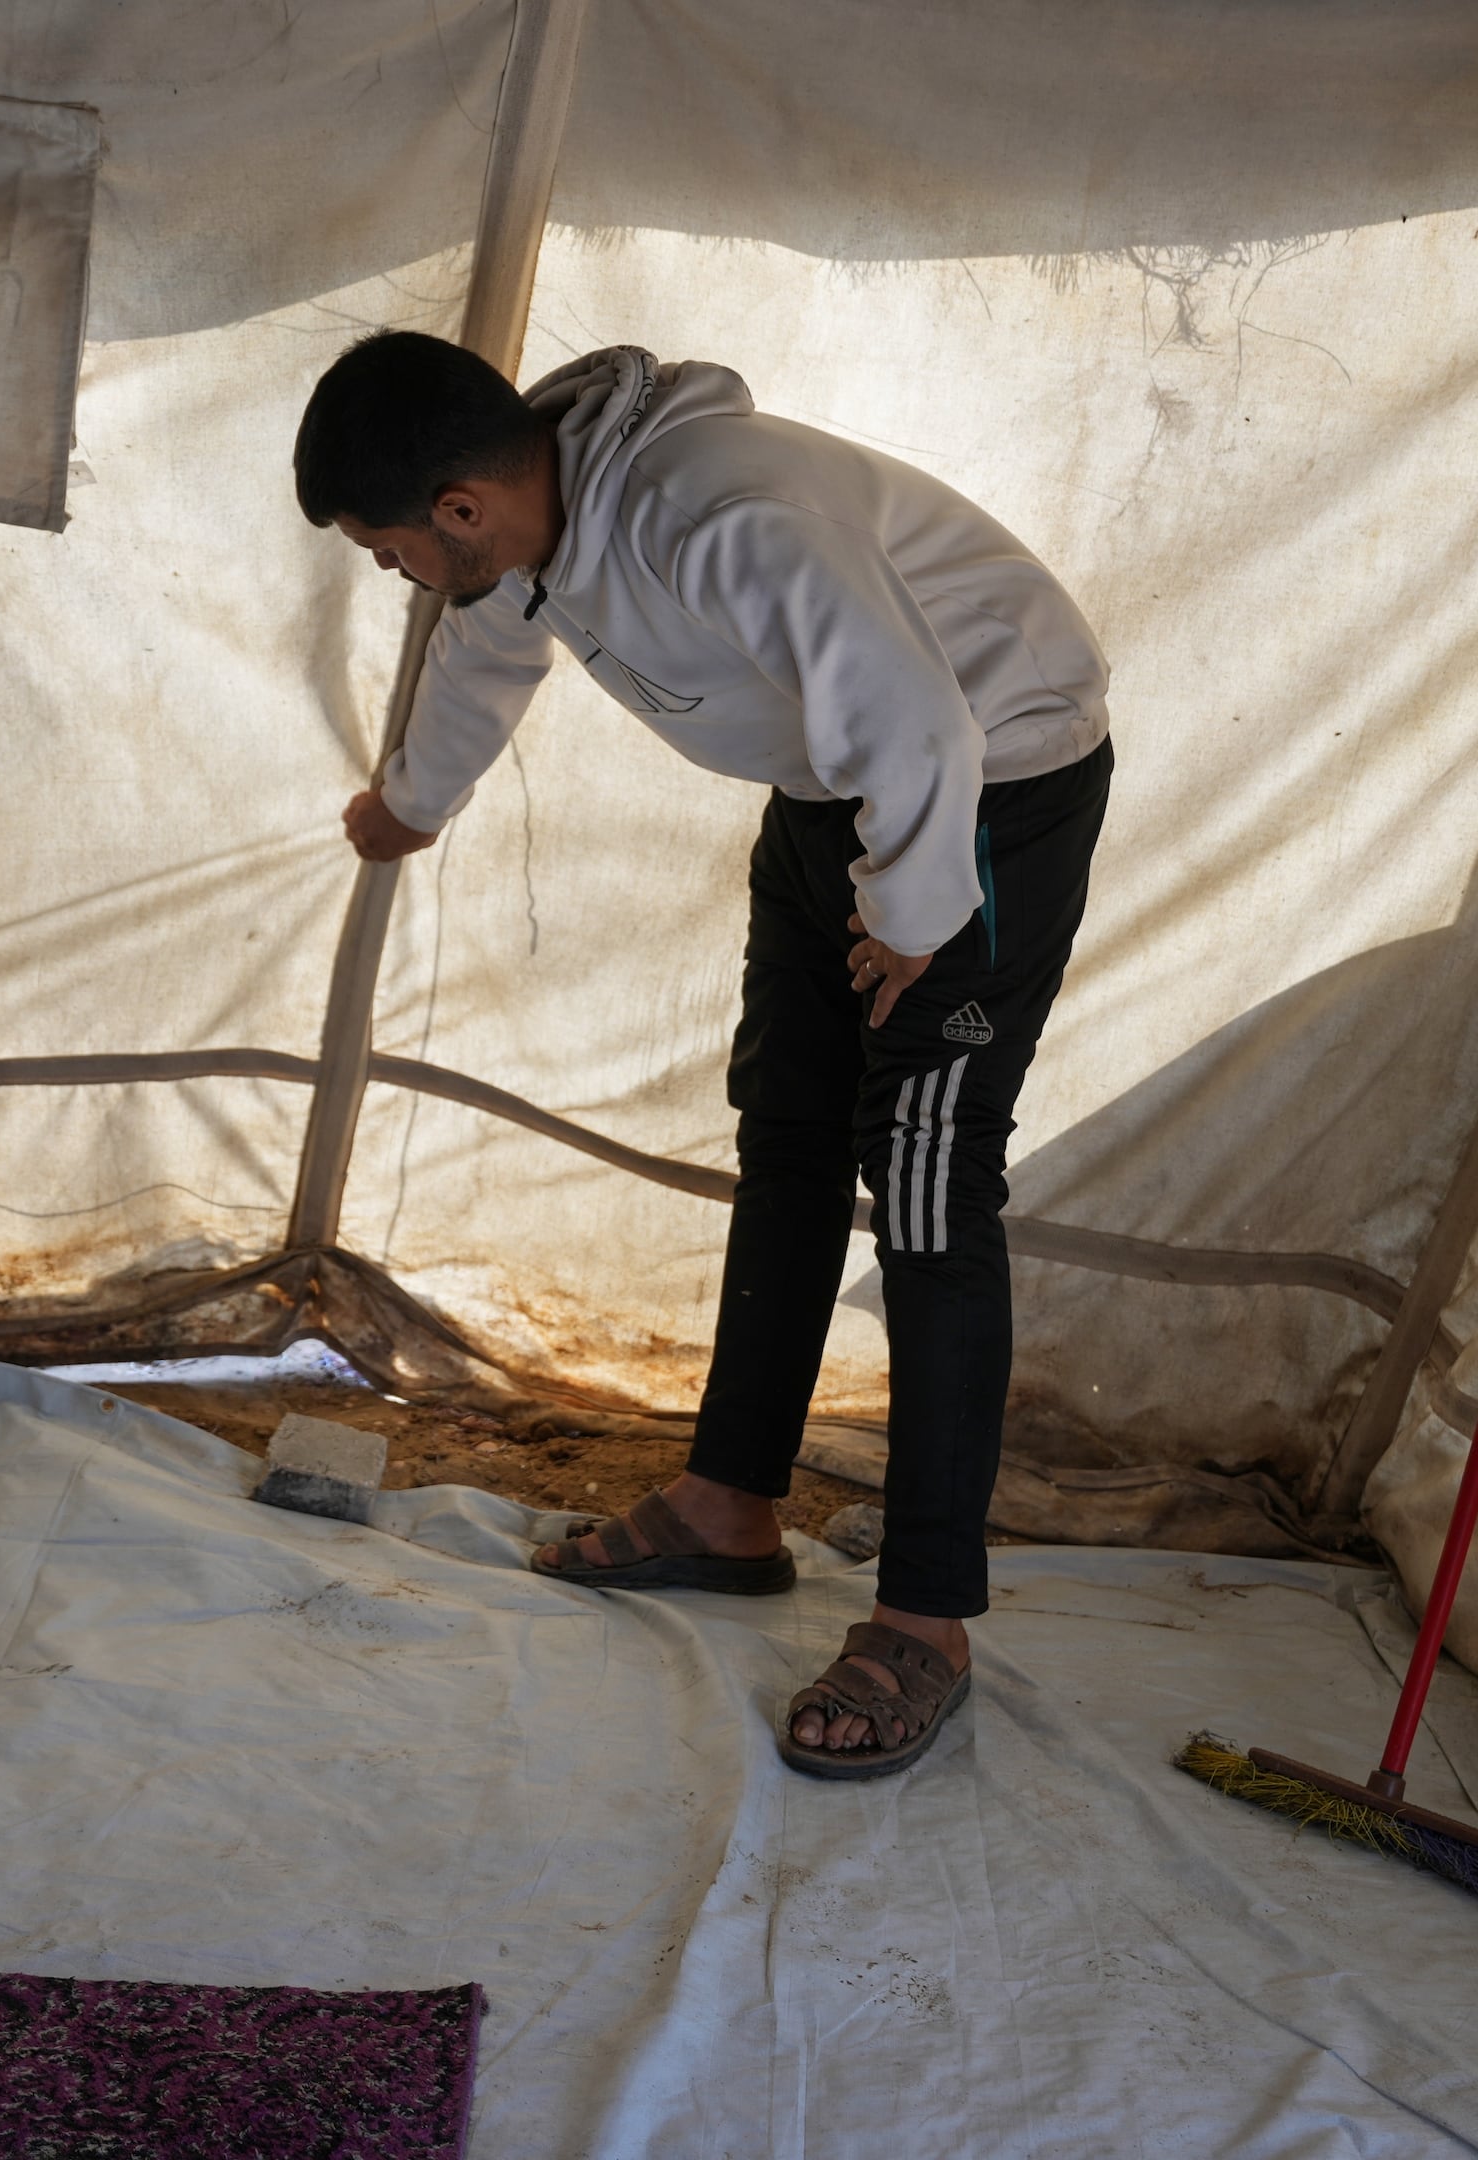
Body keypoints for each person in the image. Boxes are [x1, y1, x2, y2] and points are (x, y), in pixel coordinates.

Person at [293, 332, 1112, 1780]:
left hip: (991, 780)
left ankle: (926, 1618)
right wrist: (415, 803)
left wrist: (919, 911)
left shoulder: (712, 512)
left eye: (390, 553)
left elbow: (918, 714)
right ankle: (732, 1503)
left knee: (922, 1185)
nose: (401, 577)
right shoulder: (537, 522)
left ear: (460, 508)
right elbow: (489, 645)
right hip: (837, 789)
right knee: (786, 1137)